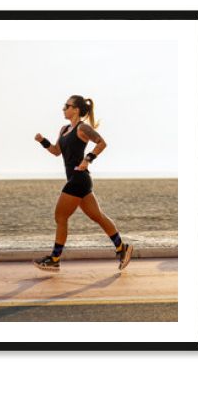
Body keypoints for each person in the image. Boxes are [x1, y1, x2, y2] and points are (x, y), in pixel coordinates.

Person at [33, 95, 134, 272]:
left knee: (60, 217)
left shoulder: (83, 128)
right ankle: (122, 248)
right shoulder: (64, 129)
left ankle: (55, 258)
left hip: (78, 179)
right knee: (98, 217)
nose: (64, 108)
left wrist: (88, 159)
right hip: (79, 181)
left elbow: (102, 143)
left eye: (67, 106)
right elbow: (56, 152)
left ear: (76, 109)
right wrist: (43, 141)